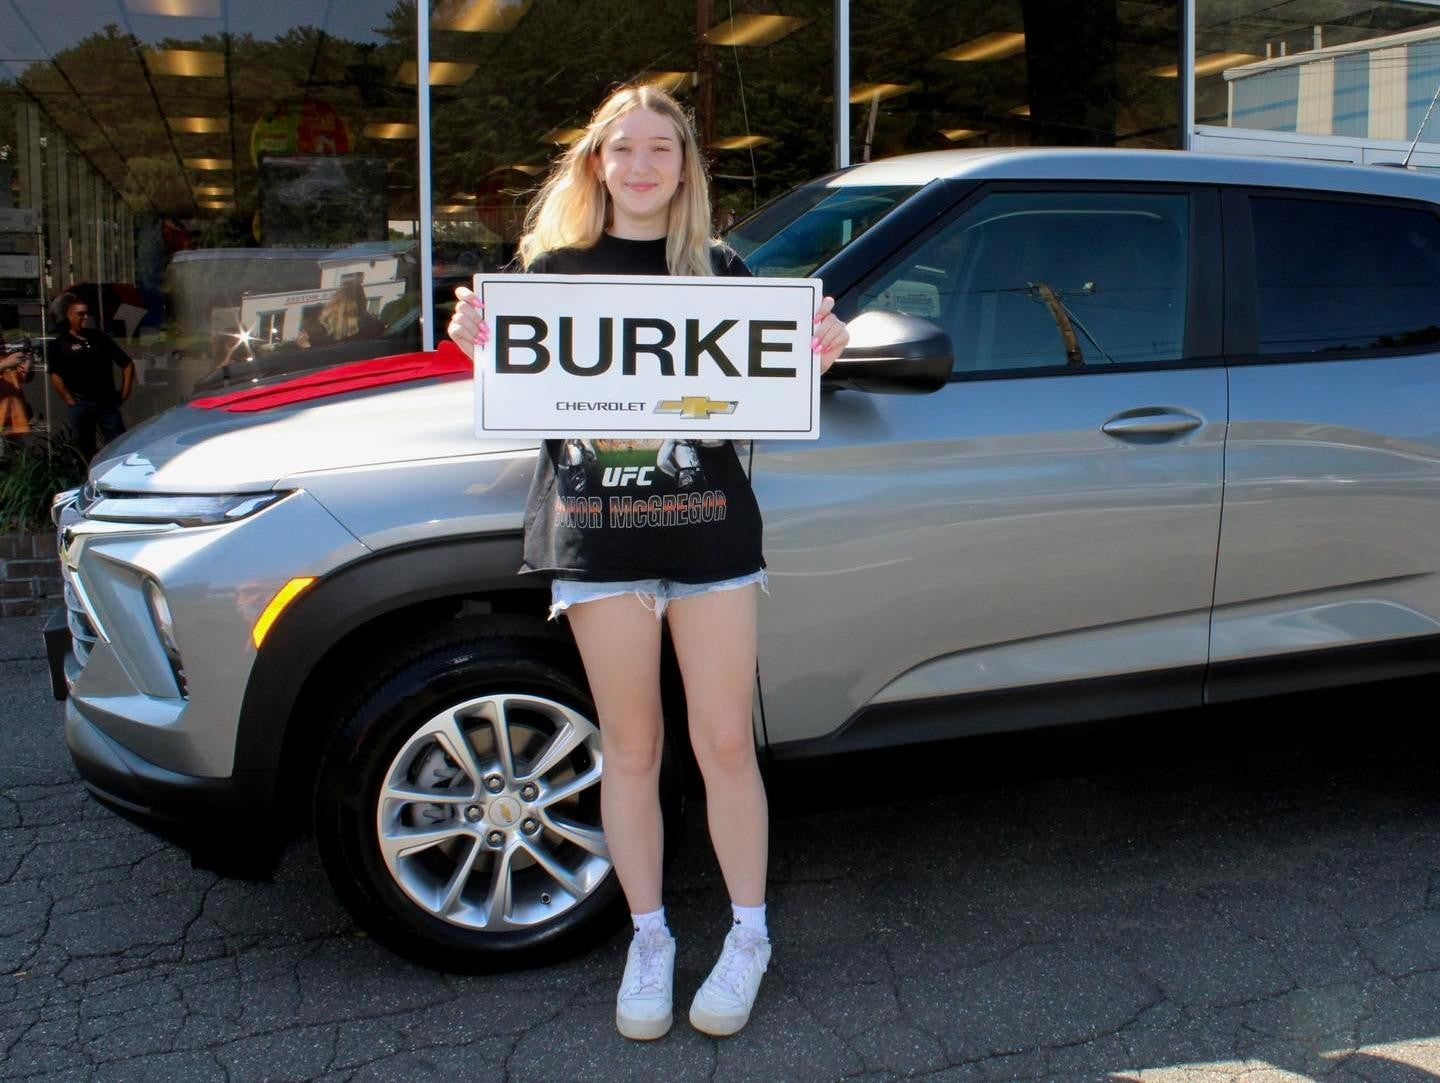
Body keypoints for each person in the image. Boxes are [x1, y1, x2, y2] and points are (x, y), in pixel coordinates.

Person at [448, 84, 849, 1042]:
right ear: (595, 162)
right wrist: (480, 351)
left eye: (660, 149)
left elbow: (764, 395)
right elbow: (528, 400)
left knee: (722, 746)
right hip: (597, 541)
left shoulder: (722, 274)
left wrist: (816, 354)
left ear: (684, 168)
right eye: (621, 148)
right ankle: (651, 935)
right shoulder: (547, 277)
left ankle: (748, 935)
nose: (639, 165)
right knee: (630, 750)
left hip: (709, 538)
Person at [49, 293, 133, 459]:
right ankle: (84, 475)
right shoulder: (60, 343)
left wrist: (124, 392)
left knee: (118, 444)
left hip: (106, 402)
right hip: (80, 403)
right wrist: (69, 399)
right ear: (68, 316)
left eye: (86, 313)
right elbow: (55, 375)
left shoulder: (99, 337)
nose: (85, 317)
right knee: (84, 448)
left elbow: (127, 364)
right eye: (80, 314)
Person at [295, 279, 385, 348]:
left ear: (335, 300)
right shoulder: (373, 326)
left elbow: (310, 360)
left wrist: (306, 347)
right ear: (362, 300)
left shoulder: (315, 329)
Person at [0, 343, 35, 436]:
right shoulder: (6, 360)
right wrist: (3, 365)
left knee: (19, 450)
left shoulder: (6, 355)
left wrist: (28, 361)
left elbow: (25, 378)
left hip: (15, 421)